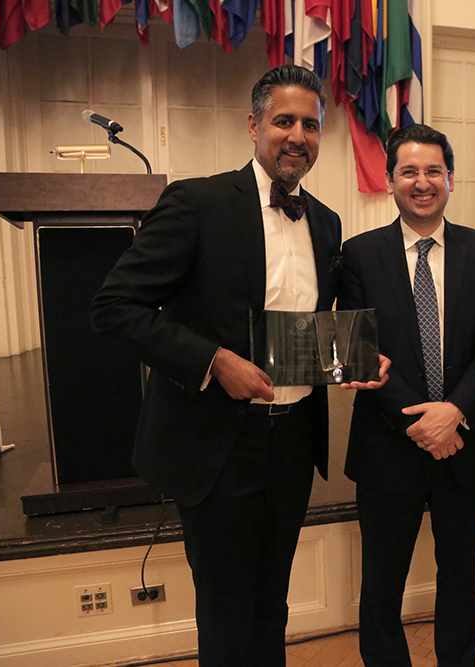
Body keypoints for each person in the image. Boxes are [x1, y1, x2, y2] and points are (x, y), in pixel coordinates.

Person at [90, 64, 386, 667]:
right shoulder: (198, 202)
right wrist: (212, 360)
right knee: (226, 608)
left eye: (310, 124)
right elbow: (113, 306)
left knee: (272, 598)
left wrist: (353, 357)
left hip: (295, 439)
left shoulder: (327, 223)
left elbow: (313, 323)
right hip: (218, 441)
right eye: (284, 121)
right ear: (254, 126)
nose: (297, 136)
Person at [338, 123, 475, 667]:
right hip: (389, 447)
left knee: (461, 580)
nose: (422, 182)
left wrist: (455, 412)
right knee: (381, 587)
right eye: (408, 171)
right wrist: (422, 422)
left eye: (433, 171)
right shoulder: (360, 254)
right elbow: (360, 352)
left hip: (467, 444)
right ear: (389, 181)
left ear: (451, 180)